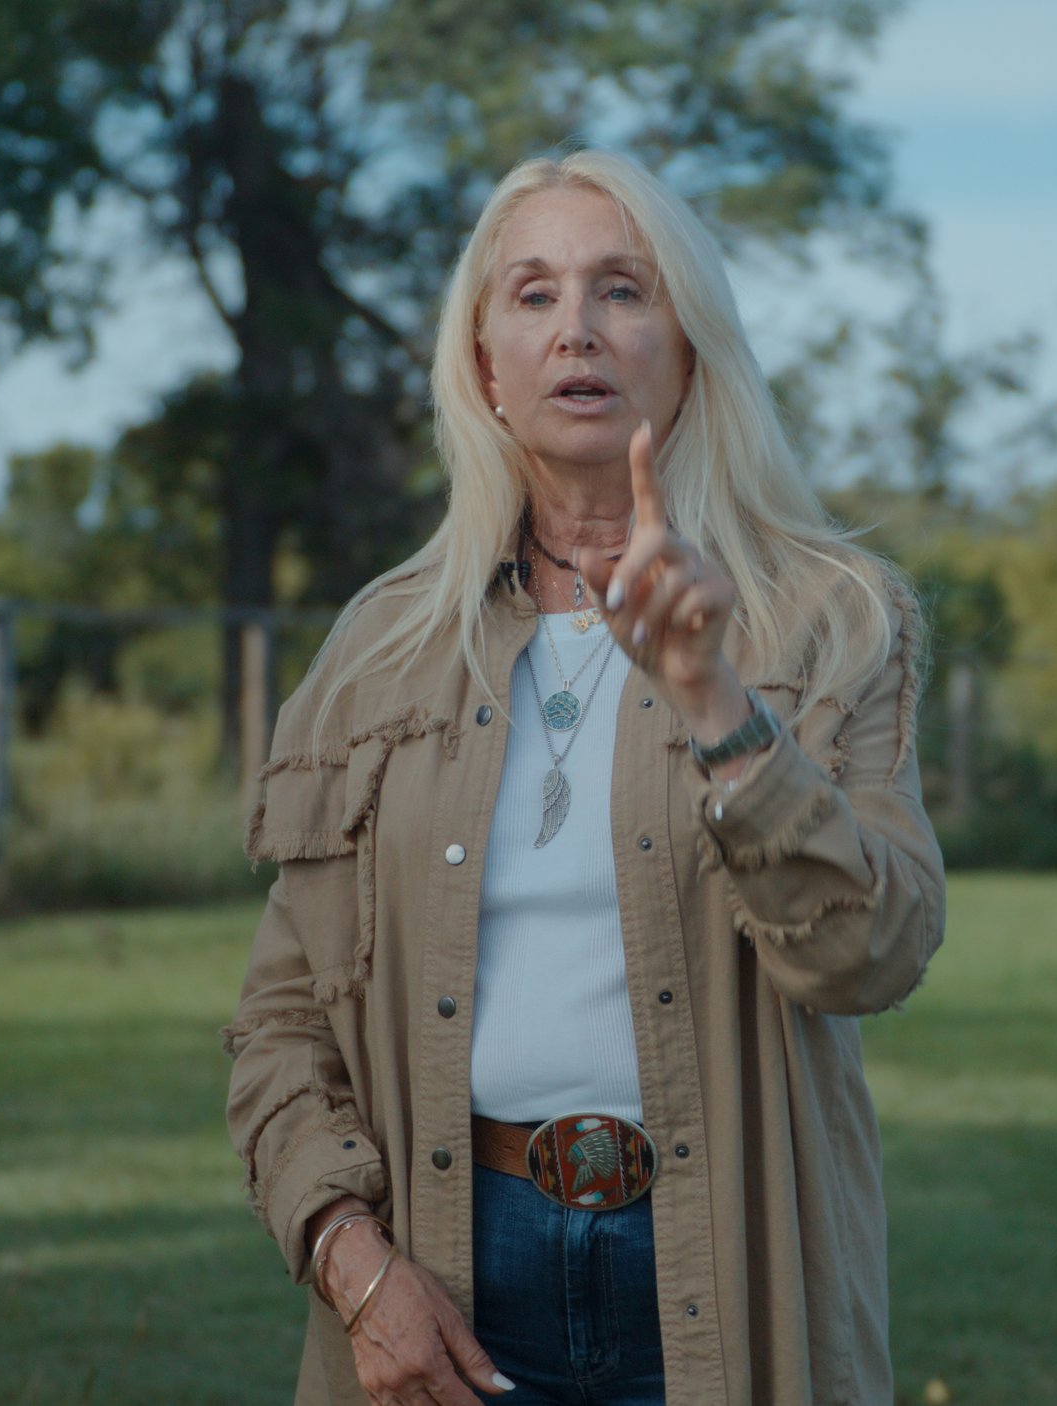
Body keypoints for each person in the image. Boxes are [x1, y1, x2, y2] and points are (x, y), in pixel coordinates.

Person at [224, 146, 945, 1406]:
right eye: (534, 292)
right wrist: (355, 1266)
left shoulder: (832, 619)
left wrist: (716, 701)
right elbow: (282, 1024)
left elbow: (866, 957)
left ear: (689, 342)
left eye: (622, 288)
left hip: (722, 1261)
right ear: (485, 368)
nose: (579, 329)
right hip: (449, 1269)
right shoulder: (376, 650)